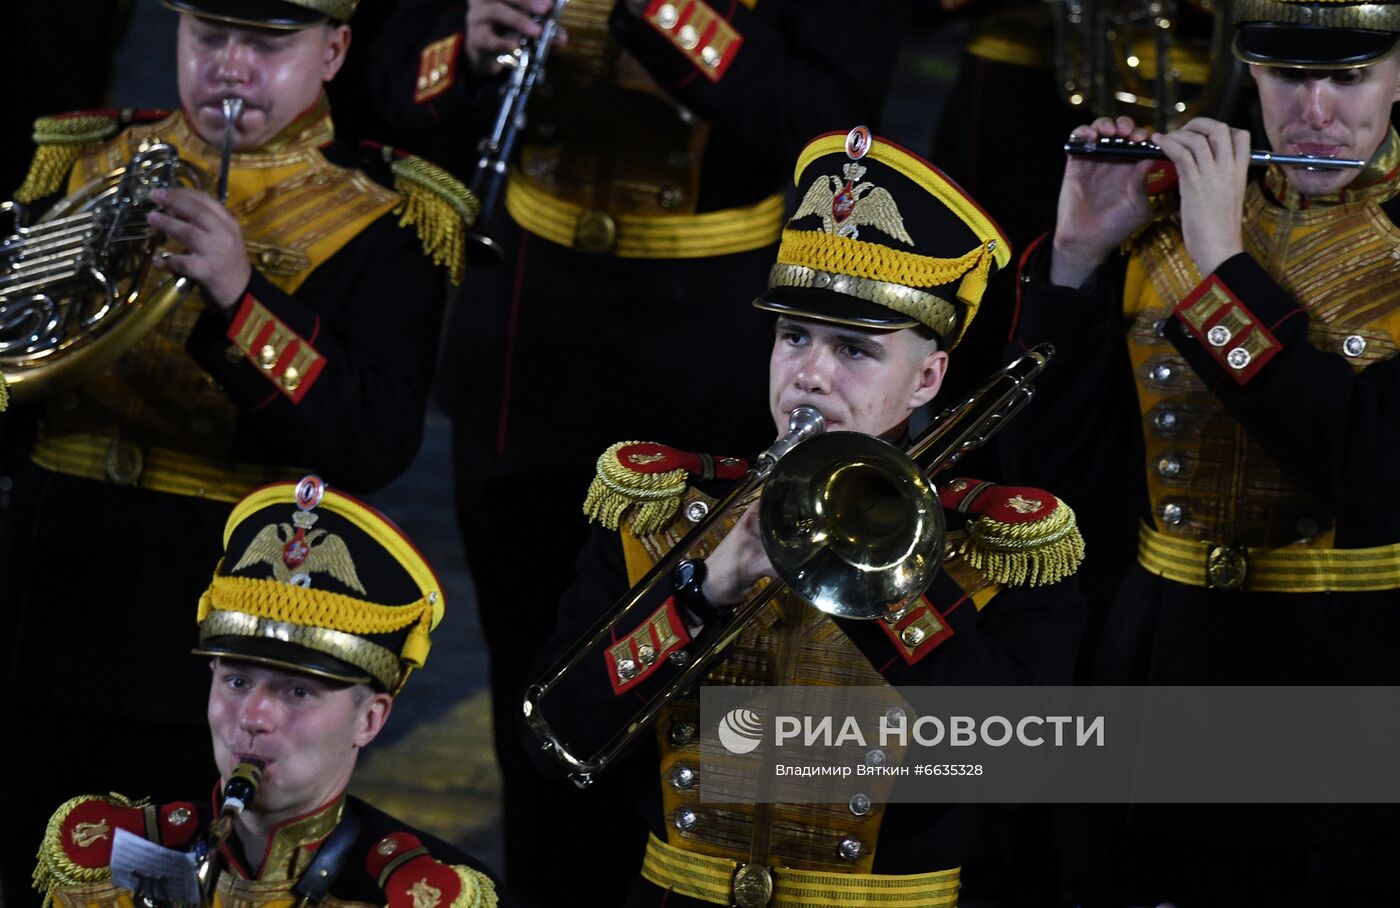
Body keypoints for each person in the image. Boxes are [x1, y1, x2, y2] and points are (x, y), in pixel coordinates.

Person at [365, 2, 906, 903]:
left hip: (716, 345)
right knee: (533, 694)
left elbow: (828, 125)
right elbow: (384, 82)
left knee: (711, 702)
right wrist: (463, 47)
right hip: (528, 341)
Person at [528, 127, 1087, 906]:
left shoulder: (1002, 548)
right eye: (794, 337)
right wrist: (695, 595)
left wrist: (872, 575)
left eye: (855, 350)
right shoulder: (660, 514)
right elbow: (560, 740)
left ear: (927, 378)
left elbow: (1020, 766)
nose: (810, 376)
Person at [0, 1, 474, 902]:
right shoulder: (82, 161)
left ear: (334, 51)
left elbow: (373, 438)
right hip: (43, 604)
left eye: (266, 45)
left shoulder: (388, 211)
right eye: (209, 37)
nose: (230, 66)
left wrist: (240, 295)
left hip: (221, 641)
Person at [1001, 0, 1400, 902]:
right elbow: (1049, 481)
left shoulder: (1202, 233)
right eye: (1289, 78)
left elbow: (1369, 470)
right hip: (1152, 665)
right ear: (1250, 73)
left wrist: (1222, 264)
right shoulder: (1162, 225)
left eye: (1348, 77)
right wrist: (1074, 261)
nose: (1318, 113)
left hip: (1346, 680)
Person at [30, 475, 509, 908]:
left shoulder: (428, 894)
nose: (253, 717)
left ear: (370, 719)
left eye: (298, 692)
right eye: (236, 681)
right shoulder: (104, 860)